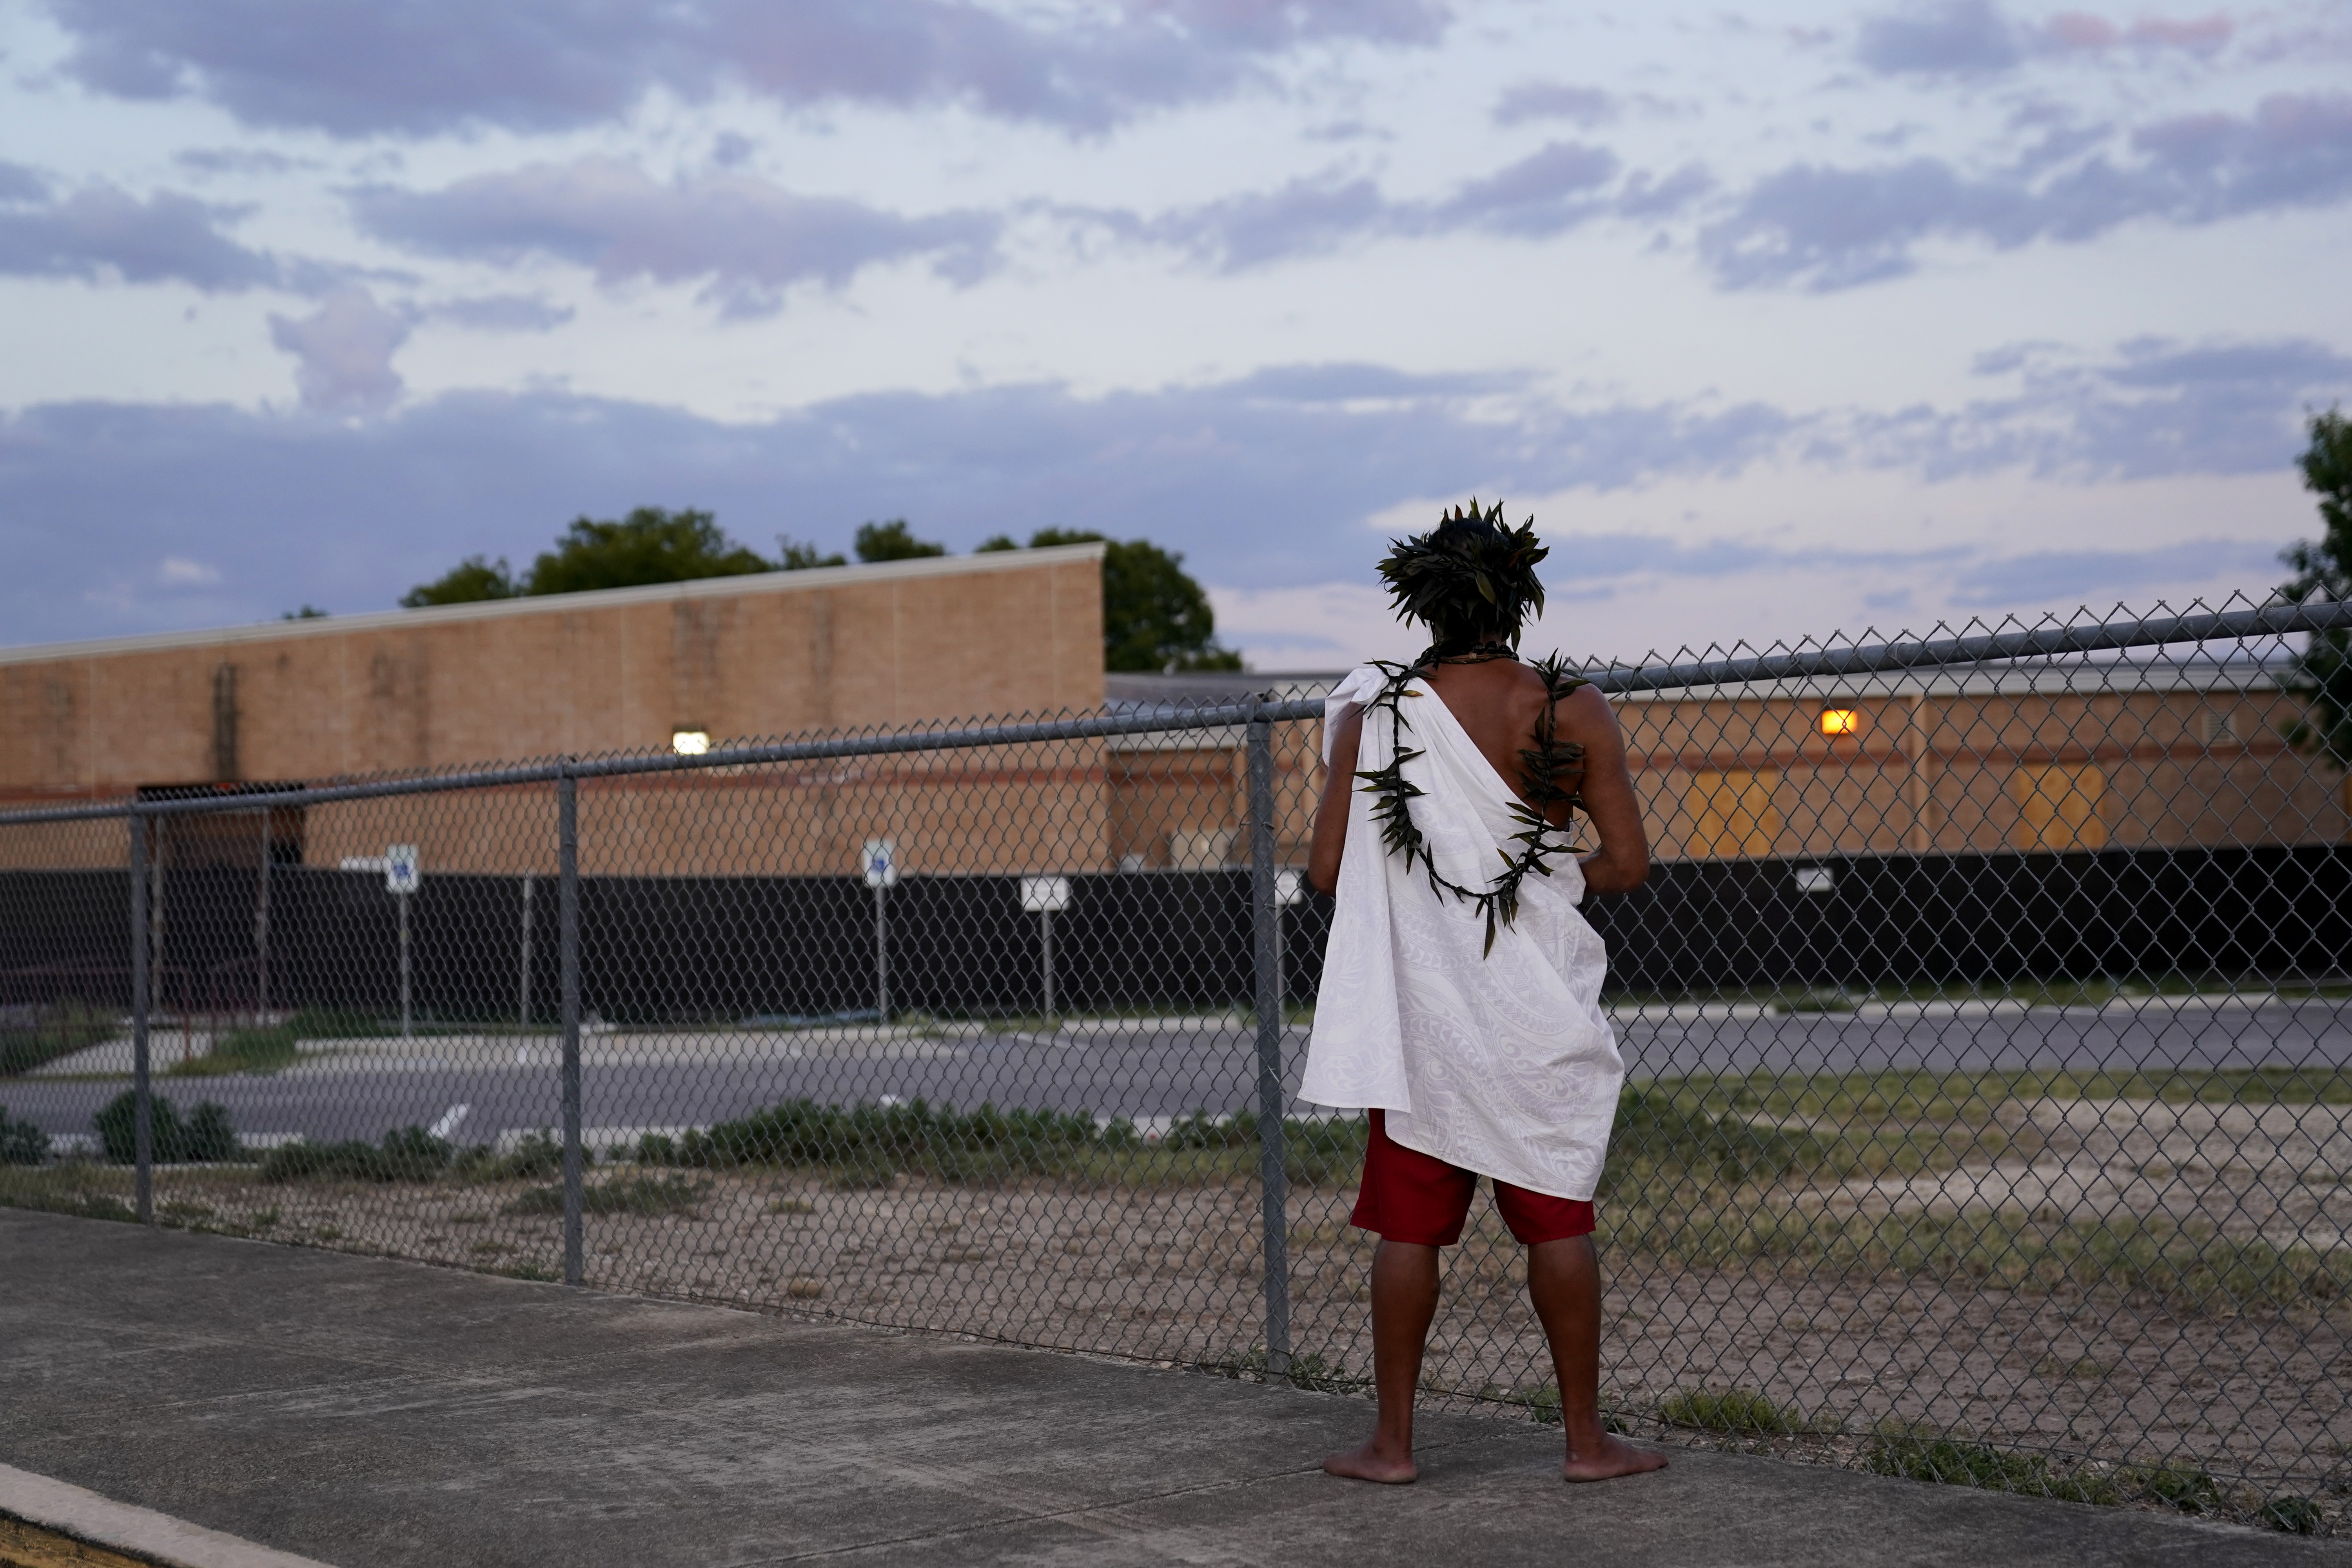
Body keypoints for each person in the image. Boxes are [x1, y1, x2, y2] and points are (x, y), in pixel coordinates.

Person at [1303, 500, 1664, 1486]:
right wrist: (1540, 878)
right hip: (1534, 1004)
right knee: (1558, 1218)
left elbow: (1330, 869)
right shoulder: (1570, 708)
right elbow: (1627, 864)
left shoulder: (1372, 711)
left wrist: (1434, 896)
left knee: (1410, 1228)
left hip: (1423, 1012)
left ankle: (1393, 1444)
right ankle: (1588, 1444)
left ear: (1418, 601)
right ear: (1520, 594)